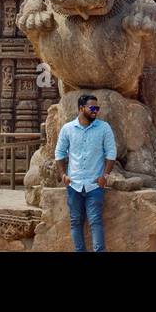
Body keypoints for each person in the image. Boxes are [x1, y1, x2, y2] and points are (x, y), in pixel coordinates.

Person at [55, 93, 116, 253]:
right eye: (92, 108)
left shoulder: (104, 128)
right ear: (81, 109)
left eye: (97, 108)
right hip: (73, 185)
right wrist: (63, 175)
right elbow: (59, 153)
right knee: (75, 221)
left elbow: (111, 153)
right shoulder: (67, 129)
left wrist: (105, 176)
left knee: (95, 221)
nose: (96, 111)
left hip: (94, 185)